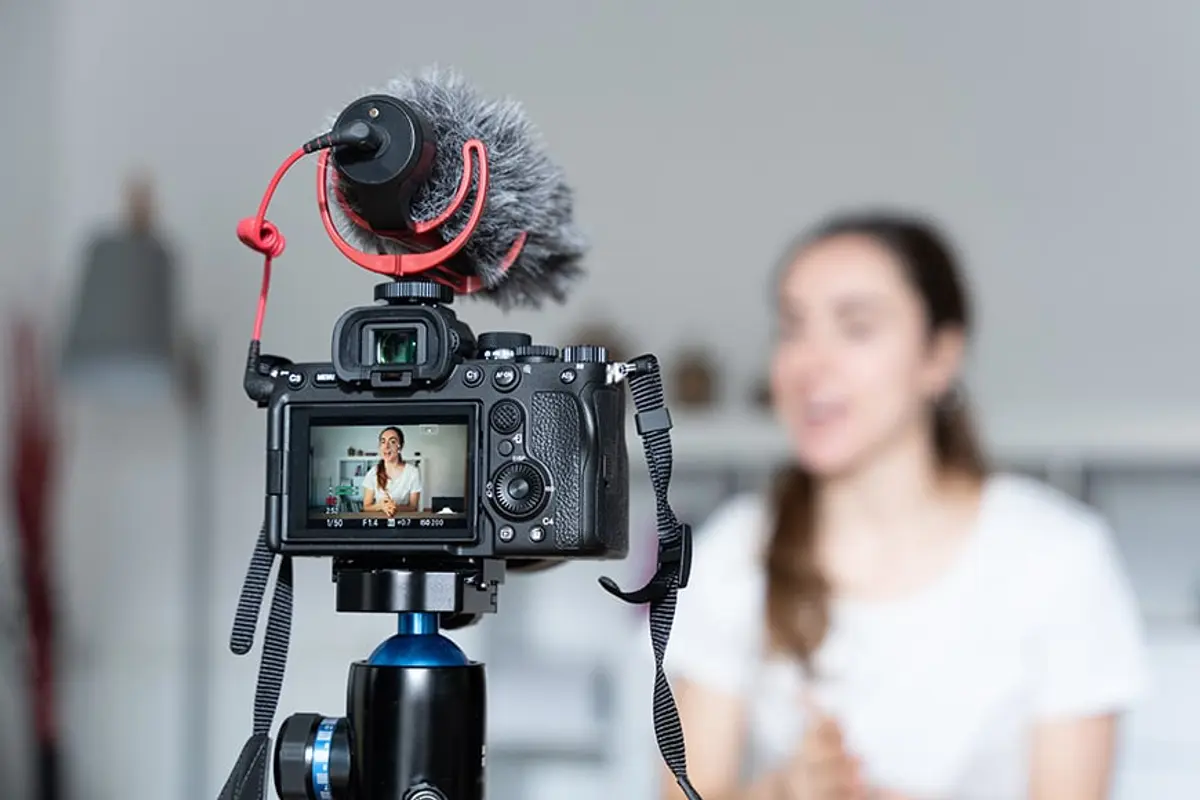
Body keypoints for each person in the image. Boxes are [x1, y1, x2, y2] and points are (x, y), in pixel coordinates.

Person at [661, 211, 1149, 800]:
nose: (809, 364)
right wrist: (787, 790)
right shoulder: (732, 554)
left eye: (856, 327)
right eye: (792, 328)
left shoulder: (1059, 559)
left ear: (939, 357)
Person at [361, 426, 422, 516]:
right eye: (383, 441)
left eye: (392, 441)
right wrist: (380, 506)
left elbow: (413, 507)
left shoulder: (413, 472)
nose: (386, 446)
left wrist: (394, 507)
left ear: (400, 447)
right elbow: (366, 507)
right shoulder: (372, 472)